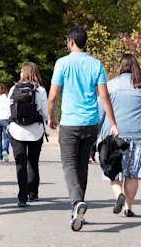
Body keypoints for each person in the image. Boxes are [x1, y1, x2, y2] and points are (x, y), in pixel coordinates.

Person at [47, 26, 118, 231]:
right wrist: (112, 123)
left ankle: (76, 202)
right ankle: (77, 209)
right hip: (90, 123)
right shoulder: (96, 64)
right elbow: (104, 96)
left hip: (70, 122)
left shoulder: (62, 63)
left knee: (69, 165)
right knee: (82, 165)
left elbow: (53, 95)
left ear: (70, 42)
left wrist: (50, 117)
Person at [99, 54, 141, 217]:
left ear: (120, 67)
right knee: (132, 174)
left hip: (115, 134)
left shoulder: (109, 86)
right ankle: (128, 207)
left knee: (114, 170)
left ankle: (118, 193)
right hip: (139, 135)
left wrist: (95, 134)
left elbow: (101, 111)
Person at [8, 62, 48, 207]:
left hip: (16, 130)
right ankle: (33, 192)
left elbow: (9, 111)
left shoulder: (14, 88)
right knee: (33, 162)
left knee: (21, 163)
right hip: (35, 131)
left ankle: (22, 196)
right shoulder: (40, 90)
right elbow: (44, 112)